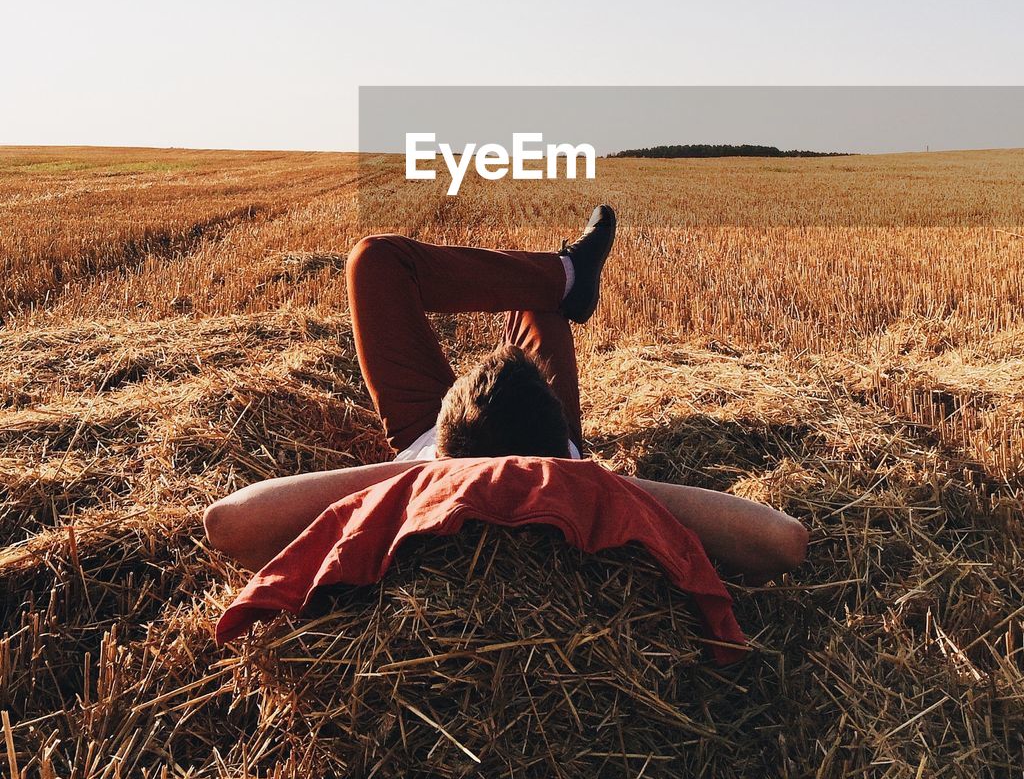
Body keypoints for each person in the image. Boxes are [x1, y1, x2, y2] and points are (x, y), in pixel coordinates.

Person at [204, 207, 808, 580]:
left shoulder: (423, 471)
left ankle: (565, 277)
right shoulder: (580, 478)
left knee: (375, 259)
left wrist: (421, 478)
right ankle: (566, 281)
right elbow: (784, 542)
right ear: (559, 426)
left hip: (428, 438)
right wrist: (587, 479)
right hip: (524, 448)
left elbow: (227, 526)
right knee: (535, 302)